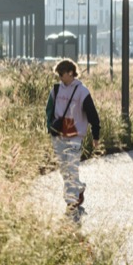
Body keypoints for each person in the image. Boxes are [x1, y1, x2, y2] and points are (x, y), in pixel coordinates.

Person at [44, 59, 101, 220]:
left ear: (70, 72)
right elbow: (49, 111)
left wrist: (96, 135)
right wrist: (50, 128)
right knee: (64, 169)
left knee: (72, 167)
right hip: (59, 135)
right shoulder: (56, 90)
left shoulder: (82, 91)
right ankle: (79, 188)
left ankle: (71, 203)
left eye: (62, 75)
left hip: (76, 136)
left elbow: (92, 115)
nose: (60, 78)